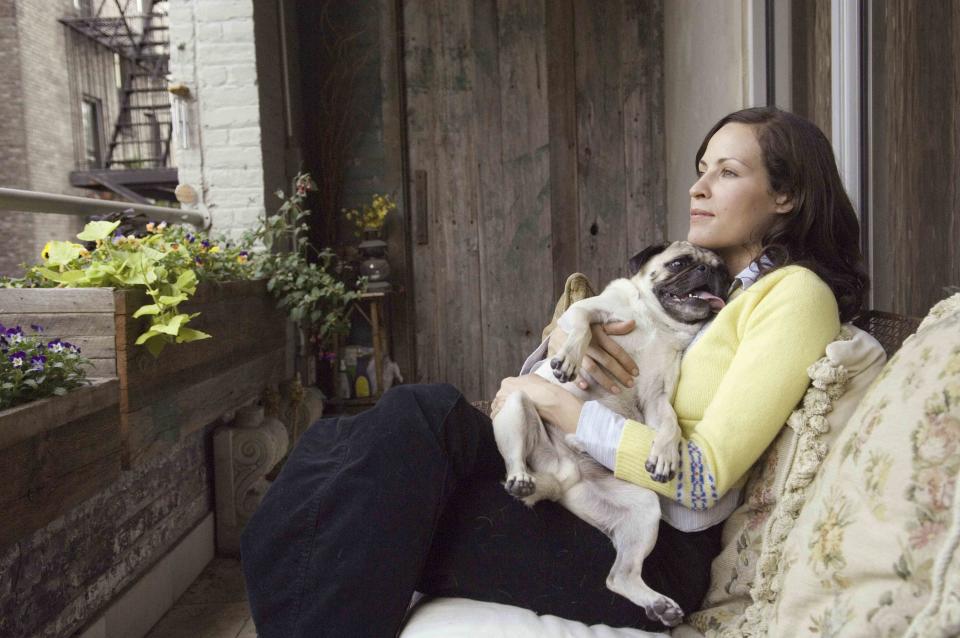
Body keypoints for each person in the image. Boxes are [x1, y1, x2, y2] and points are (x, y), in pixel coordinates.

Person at [240, 106, 869, 638]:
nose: (698, 188)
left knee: (391, 460)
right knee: (346, 452)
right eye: (701, 169)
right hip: (578, 488)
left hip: (644, 542)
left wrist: (560, 404)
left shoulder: (793, 296)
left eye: (727, 172)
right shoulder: (707, 287)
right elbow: (616, 360)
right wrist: (562, 357)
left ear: (786, 196)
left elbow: (701, 479)